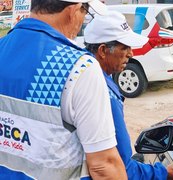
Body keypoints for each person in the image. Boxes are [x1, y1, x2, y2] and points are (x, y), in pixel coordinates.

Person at [0, 0, 127, 179]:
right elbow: (103, 165)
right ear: (73, 10)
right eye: (86, 12)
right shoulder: (79, 67)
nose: (83, 20)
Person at [84, 10, 173, 180]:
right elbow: (119, 167)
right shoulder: (103, 93)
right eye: (125, 48)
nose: (131, 53)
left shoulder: (84, 77)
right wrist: (165, 172)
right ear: (103, 50)